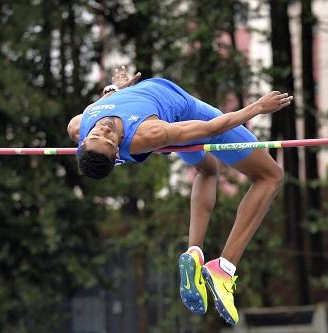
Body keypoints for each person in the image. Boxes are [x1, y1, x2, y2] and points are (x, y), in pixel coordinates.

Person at [67, 66, 292, 325]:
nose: (104, 130)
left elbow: (103, 108)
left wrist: (115, 88)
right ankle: (224, 268)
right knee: (270, 176)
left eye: (98, 133)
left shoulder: (78, 125)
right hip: (184, 115)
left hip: (163, 118)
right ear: (117, 150)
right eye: (109, 139)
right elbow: (210, 128)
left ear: (83, 140)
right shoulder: (150, 133)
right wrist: (258, 107)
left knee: (207, 170)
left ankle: (194, 252)